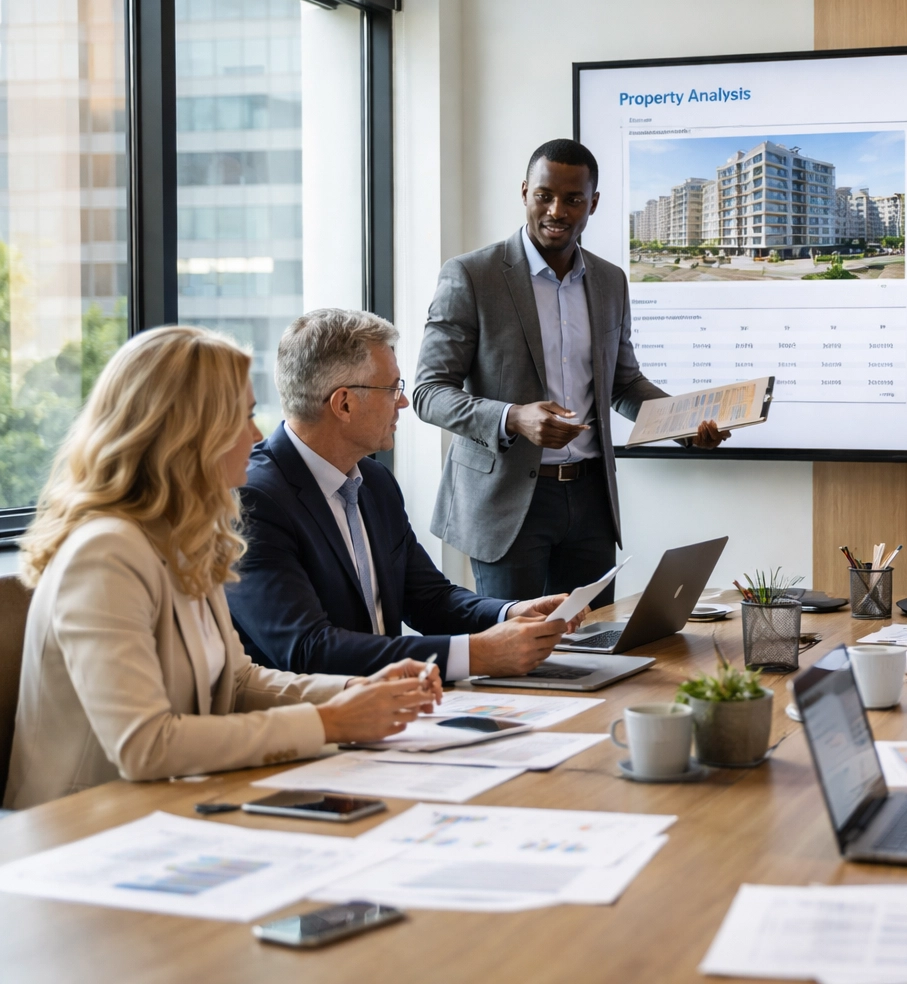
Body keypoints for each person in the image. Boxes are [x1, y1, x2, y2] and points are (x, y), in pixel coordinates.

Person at [5, 326, 439, 810]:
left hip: (175, 804)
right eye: (244, 416)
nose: (256, 435)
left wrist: (356, 691)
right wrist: (330, 722)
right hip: (83, 828)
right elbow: (144, 746)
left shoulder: (186, 533)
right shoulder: (103, 552)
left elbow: (237, 682)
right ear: (188, 433)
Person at [414, 138, 728, 609]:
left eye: (573, 199)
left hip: (590, 501)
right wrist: (513, 417)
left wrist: (683, 424)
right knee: (515, 657)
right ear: (524, 192)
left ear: (593, 203)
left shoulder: (610, 281)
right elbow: (428, 392)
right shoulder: (471, 276)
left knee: (594, 648)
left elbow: (622, 383)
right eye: (544, 195)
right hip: (507, 503)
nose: (557, 210)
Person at [227, 309, 578, 681]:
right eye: (393, 388)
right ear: (343, 403)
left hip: (390, 710)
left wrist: (510, 614)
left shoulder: (375, 481)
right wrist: (477, 654)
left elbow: (428, 598)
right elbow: (308, 649)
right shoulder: (252, 500)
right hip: (310, 724)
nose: (403, 402)